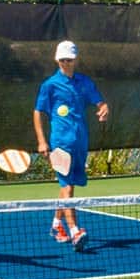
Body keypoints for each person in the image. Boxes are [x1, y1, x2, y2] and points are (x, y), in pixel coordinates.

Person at [34, 40, 110, 249]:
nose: (66, 63)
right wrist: (41, 141)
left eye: (69, 59)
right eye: (62, 60)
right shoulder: (49, 85)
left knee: (68, 185)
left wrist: (103, 108)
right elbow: (37, 112)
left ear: (76, 60)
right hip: (59, 144)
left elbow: (99, 102)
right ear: (57, 60)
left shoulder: (84, 82)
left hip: (80, 142)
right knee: (67, 186)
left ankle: (56, 224)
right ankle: (76, 231)